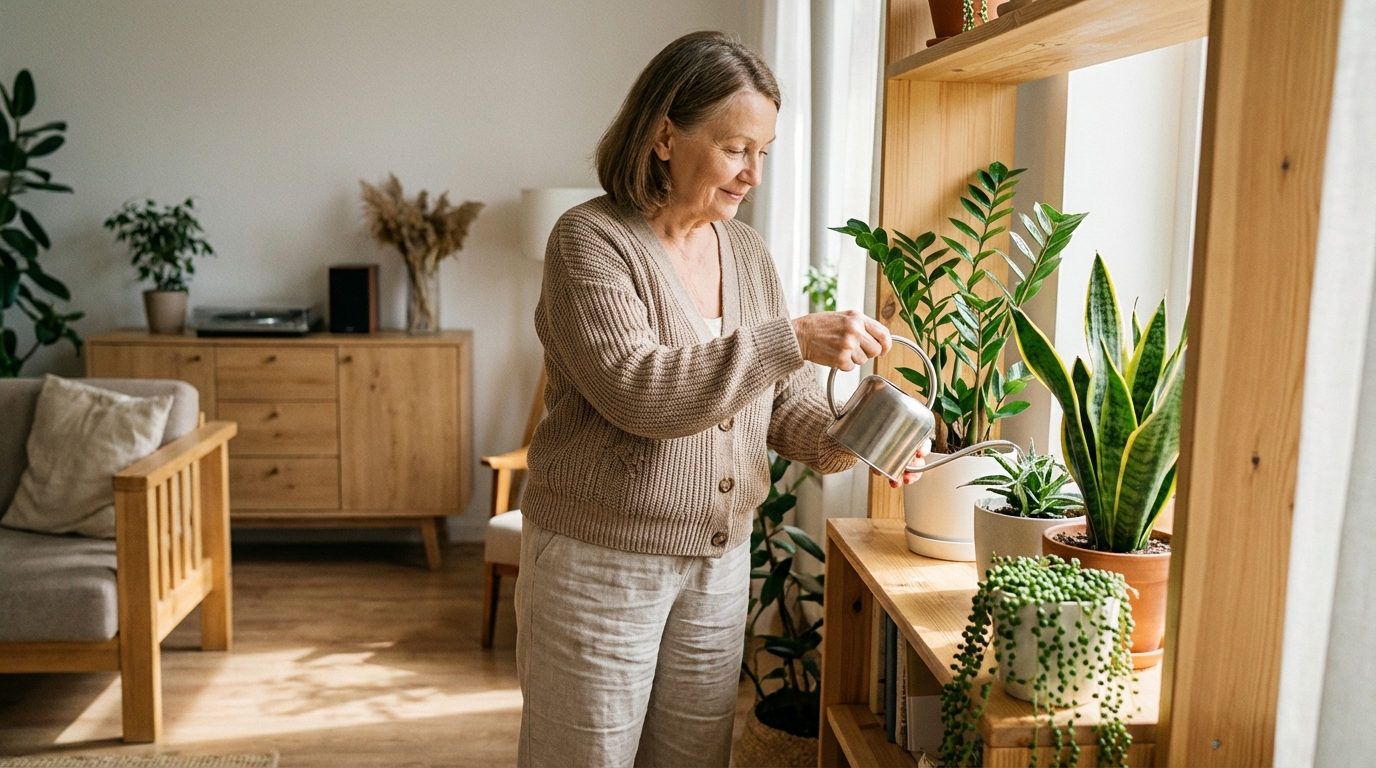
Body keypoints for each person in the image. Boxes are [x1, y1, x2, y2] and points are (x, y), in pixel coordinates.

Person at [515, 30, 926, 768]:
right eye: (738, 149)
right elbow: (640, 392)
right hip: (600, 564)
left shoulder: (746, 252)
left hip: (717, 564)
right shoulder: (589, 241)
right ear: (665, 135)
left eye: (763, 153)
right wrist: (789, 337)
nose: (754, 176)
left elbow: (791, 412)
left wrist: (869, 429)